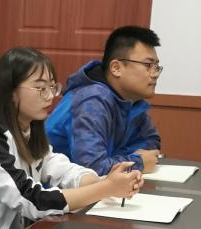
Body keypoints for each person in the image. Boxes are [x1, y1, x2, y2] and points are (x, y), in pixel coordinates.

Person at [0, 48, 143, 229]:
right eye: (41, 88)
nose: (50, 96)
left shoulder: (25, 125)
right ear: (10, 91)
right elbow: (31, 199)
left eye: (52, 87)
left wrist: (104, 181)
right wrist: (105, 188)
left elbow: (56, 166)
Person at [46, 26, 163, 174]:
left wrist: (119, 159)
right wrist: (137, 162)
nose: (155, 74)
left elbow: (151, 144)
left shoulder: (131, 99)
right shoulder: (92, 100)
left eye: (156, 66)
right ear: (116, 68)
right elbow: (92, 167)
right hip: (52, 185)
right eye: (148, 65)